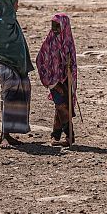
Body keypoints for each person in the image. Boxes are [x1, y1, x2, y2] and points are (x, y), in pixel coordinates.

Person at [0, 0, 34, 149]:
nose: (18, 5)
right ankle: (4, 134)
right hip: (4, 63)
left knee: (23, 87)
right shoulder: (0, 23)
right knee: (10, 91)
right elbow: (4, 47)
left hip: (15, 64)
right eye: (15, 2)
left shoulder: (12, 21)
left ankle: (12, 130)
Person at [36, 13, 78, 147]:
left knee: (62, 106)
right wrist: (49, 80)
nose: (54, 28)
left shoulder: (68, 41)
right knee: (61, 105)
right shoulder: (49, 41)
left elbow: (73, 63)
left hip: (66, 79)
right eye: (53, 25)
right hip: (53, 80)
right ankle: (70, 135)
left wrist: (69, 67)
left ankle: (55, 135)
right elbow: (40, 59)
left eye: (57, 25)